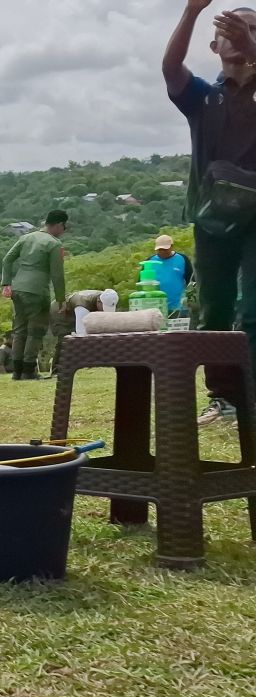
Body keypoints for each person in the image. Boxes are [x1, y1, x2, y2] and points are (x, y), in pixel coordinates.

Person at [164, 1, 256, 426]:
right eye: (233, 27)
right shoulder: (205, 96)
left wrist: (250, 45)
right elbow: (171, 67)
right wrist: (191, 9)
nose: (239, 33)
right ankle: (224, 399)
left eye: (251, 28)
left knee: (254, 310)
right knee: (215, 312)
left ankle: (252, 404)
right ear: (214, 44)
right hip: (212, 220)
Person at [2, 210, 67, 381]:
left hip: (18, 288)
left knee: (20, 330)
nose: (63, 230)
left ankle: (17, 371)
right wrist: (61, 299)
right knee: (35, 331)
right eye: (64, 227)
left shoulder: (26, 238)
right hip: (37, 290)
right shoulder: (54, 244)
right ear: (59, 224)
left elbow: (7, 260)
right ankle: (29, 370)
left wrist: (6, 283)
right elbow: (57, 275)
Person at [151, 234, 195, 314]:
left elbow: (191, 281)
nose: (162, 252)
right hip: (156, 308)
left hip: (179, 307)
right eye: (160, 250)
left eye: (165, 249)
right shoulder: (150, 261)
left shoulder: (182, 259)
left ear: (171, 246)